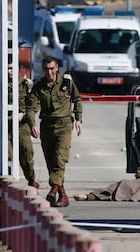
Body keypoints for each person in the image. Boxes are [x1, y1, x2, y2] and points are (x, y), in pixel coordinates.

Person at [0, 54, 39, 188]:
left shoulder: (25, 84)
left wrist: (23, 114)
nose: (10, 71)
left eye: (12, 68)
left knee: (27, 153)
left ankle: (31, 179)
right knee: (8, 156)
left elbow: (34, 104)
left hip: (22, 125)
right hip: (5, 125)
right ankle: (12, 183)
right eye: (8, 69)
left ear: (18, 69)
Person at [27, 56, 83, 207]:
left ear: (57, 67)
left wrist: (79, 119)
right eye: (46, 69)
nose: (50, 72)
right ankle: (63, 196)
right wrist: (33, 124)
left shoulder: (67, 83)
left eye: (52, 68)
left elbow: (77, 99)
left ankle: (53, 189)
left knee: (60, 160)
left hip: (64, 127)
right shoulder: (39, 87)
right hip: (46, 127)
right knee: (51, 163)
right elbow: (31, 108)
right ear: (43, 69)